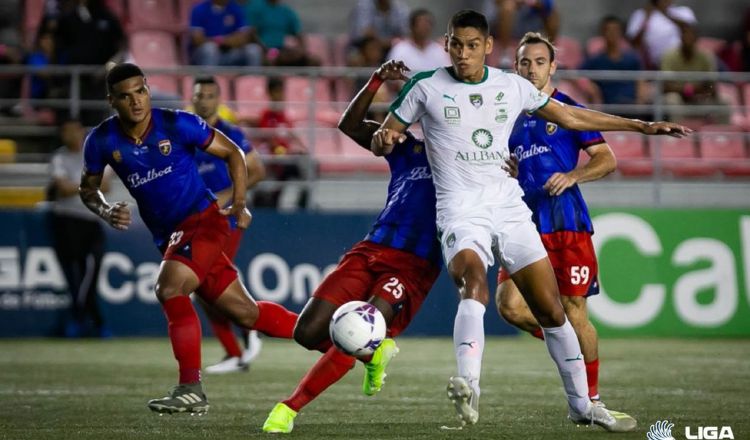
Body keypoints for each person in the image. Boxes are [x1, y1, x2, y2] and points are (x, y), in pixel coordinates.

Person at [372, 9, 689, 431]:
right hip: (460, 210)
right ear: (446, 44)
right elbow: (385, 135)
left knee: (551, 310)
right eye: (455, 45)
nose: (463, 54)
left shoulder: (512, 87)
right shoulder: (424, 86)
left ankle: (584, 405)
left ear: (487, 46)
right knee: (473, 283)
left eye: (471, 46)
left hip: (510, 209)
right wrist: (383, 137)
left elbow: (572, 117)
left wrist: (641, 126)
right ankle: (468, 385)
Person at [79, 63, 298, 414]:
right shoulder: (102, 140)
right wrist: (105, 210)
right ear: (112, 101)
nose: (136, 101)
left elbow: (233, 154)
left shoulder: (175, 123)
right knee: (246, 313)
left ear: (148, 90)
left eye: (141, 91)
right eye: (125, 95)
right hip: (169, 235)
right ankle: (335, 335)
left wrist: (239, 202)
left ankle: (190, 388)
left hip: (203, 220)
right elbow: (87, 189)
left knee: (169, 288)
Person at [262, 60, 442, 434]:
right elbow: (349, 126)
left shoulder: (465, 162)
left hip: (412, 265)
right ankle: (375, 352)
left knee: (356, 331)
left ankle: (289, 408)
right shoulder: (405, 146)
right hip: (372, 247)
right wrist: (377, 79)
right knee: (307, 332)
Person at [496, 32, 616, 408]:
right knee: (510, 306)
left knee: (575, 308)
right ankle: (571, 353)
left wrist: (573, 175)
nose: (532, 69)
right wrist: (510, 174)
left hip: (566, 222)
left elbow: (606, 158)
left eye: (539, 62)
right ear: (515, 67)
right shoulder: (507, 118)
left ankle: (592, 398)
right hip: (523, 222)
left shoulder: (567, 109)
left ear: (553, 67)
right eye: (525, 62)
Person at [190, 76, 266, 374]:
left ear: (218, 100)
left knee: (208, 283)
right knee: (203, 287)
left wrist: (228, 197)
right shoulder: (186, 134)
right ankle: (238, 346)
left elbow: (257, 170)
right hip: (196, 220)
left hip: (226, 217)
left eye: (210, 95)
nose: (204, 100)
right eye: (199, 95)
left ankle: (247, 332)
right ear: (193, 98)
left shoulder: (230, 133)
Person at [49, 118, 112, 338]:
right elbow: (62, 188)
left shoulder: (95, 154)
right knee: (75, 277)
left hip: (91, 221)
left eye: (74, 131)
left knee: (90, 276)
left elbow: (106, 185)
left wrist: (75, 185)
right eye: (65, 131)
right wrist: (87, 185)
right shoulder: (59, 157)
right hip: (67, 222)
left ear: (82, 132)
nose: (70, 136)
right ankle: (92, 323)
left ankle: (83, 321)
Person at [660, 24, 729, 124]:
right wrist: (688, 90)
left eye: (691, 35)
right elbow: (666, 86)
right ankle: (677, 135)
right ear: (681, 37)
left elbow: (711, 86)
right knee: (672, 99)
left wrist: (698, 91)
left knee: (725, 101)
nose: (688, 38)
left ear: (696, 38)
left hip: (700, 98)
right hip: (680, 99)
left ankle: (722, 137)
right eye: (685, 35)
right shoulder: (669, 56)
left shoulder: (706, 56)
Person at [580, 16, 647, 114]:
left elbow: (641, 81)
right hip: (607, 109)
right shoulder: (595, 60)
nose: (612, 34)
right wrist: (592, 88)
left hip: (631, 107)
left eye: (615, 30)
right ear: (602, 33)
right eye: (608, 30)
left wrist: (640, 102)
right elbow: (579, 76)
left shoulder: (632, 59)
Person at [482, 0, 560, 67]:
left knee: (552, 14)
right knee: (507, 7)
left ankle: (552, 53)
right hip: (502, 22)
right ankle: (504, 54)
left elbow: (549, 4)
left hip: (529, 19)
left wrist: (536, 3)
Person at [189, 0, 262, 66]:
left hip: (230, 52)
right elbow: (197, 39)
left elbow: (243, 38)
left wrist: (223, 41)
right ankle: (208, 80)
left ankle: (252, 79)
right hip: (205, 56)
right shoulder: (199, 9)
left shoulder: (236, 8)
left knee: (254, 50)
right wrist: (218, 42)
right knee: (210, 48)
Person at [244, 0, 318, 66]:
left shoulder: (287, 11)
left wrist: (302, 51)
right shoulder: (256, 8)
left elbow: (298, 34)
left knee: (314, 61)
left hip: (280, 50)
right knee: (268, 60)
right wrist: (265, 50)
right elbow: (251, 33)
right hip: (263, 51)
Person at [626, 0, 696, 69]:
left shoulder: (684, 11)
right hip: (651, 65)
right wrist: (646, 19)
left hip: (680, 63)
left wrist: (665, 13)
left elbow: (691, 32)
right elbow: (633, 42)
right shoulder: (640, 14)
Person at [386, 9, 450, 73]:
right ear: (412, 26)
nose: (425, 27)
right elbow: (392, 78)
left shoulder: (439, 50)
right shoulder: (399, 50)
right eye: (421, 23)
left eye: (428, 23)